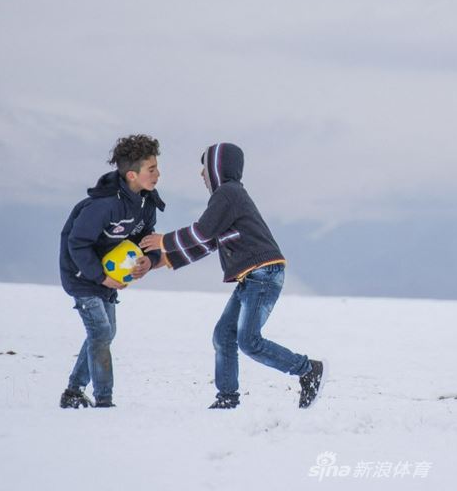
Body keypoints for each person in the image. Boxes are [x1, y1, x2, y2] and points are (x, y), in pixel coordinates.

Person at [139, 142, 325, 410]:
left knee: (249, 342)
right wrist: (163, 260)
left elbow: (202, 232)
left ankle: (307, 370)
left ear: (218, 168)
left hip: (262, 274)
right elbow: (208, 243)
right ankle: (227, 397)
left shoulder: (227, 194)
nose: (201, 174)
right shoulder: (229, 197)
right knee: (223, 335)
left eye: (204, 167)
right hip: (254, 276)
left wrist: (164, 241)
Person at [58, 134, 166, 409]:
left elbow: (146, 240)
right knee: (102, 332)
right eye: (151, 169)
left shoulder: (146, 203)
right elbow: (77, 243)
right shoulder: (103, 205)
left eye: (157, 167)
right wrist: (100, 276)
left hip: (108, 279)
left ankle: (73, 391)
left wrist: (148, 261)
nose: (157, 174)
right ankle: (104, 401)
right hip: (82, 275)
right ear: (132, 174)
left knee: (106, 332)